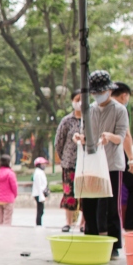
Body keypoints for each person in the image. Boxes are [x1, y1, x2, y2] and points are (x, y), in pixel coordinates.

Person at [75, 70, 129, 258]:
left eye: (101, 91)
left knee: (110, 205)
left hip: (112, 164)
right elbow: (84, 134)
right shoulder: (89, 110)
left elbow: (121, 136)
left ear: (108, 90)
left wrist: (109, 137)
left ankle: (113, 244)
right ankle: (91, 236)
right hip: (92, 164)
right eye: (95, 93)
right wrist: (80, 138)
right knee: (89, 202)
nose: (98, 96)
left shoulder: (119, 110)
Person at [111, 83, 133, 232]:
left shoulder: (97, 107)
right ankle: (131, 225)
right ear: (124, 95)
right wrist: (131, 158)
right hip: (118, 154)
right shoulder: (120, 109)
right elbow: (126, 135)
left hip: (103, 154)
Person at [54, 89, 84, 232]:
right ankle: (69, 222)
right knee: (69, 193)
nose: (80, 102)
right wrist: (64, 157)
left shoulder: (90, 119)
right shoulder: (66, 121)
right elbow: (59, 142)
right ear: (72, 101)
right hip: (70, 163)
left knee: (86, 193)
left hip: (86, 163)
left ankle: (83, 223)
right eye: (77, 99)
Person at [0, 154, 18, 225]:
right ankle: (6, 235)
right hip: (9, 199)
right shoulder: (10, 174)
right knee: (7, 220)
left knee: (0, 220)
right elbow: (14, 187)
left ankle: (0, 234)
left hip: (0, 199)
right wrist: (15, 195)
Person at [31, 157, 49, 227]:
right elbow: (39, 185)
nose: (44, 165)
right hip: (38, 194)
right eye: (43, 164)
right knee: (40, 210)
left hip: (40, 193)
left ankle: (39, 223)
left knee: (41, 210)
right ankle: (39, 224)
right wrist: (41, 196)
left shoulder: (40, 172)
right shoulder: (38, 173)